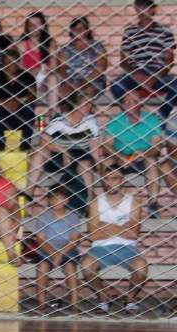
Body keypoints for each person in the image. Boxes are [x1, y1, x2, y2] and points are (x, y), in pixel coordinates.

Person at [81, 165, 147, 314]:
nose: (110, 182)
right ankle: (104, 299)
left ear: (122, 180)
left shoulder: (133, 203)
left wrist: (104, 226)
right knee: (86, 266)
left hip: (127, 249)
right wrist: (122, 228)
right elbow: (93, 235)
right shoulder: (96, 202)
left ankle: (129, 301)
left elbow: (133, 234)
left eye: (114, 178)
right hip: (100, 248)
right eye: (106, 179)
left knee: (141, 268)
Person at [102, 88, 164, 217]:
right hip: (121, 158)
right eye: (126, 101)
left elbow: (157, 147)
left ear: (140, 103)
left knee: (152, 161)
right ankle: (109, 202)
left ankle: (153, 204)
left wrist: (145, 154)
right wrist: (120, 156)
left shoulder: (152, 120)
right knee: (107, 161)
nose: (129, 103)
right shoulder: (115, 120)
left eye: (133, 100)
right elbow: (106, 146)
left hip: (143, 158)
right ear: (122, 104)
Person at [27, 92, 100, 198]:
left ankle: (91, 199)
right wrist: (64, 151)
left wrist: (98, 166)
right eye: (85, 104)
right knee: (40, 150)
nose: (89, 107)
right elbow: (43, 141)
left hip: (80, 155)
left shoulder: (91, 121)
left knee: (86, 165)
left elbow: (94, 145)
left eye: (90, 104)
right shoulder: (59, 120)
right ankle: (29, 191)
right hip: (58, 154)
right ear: (75, 105)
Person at [111, 0, 177, 119]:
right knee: (116, 85)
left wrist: (155, 76)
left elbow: (169, 61)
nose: (141, 10)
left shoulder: (165, 31)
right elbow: (123, 61)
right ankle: (130, 117)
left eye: (145, 7)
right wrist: (135, 74)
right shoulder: (130, 31)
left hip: (158, 74)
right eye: (138, 7)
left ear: (152, 10)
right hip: (135, 72)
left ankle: (160, 118)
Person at [33, 186, 82, 314]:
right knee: (42, 267)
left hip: (67, 247)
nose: (55, 201)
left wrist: (60, 253)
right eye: (52, 198)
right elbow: (40, 239)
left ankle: (74, 302)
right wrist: (53, 253)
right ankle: (41, 301)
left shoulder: (73, 216)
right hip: (48, 247)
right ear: (49, 200)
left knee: (71, 267)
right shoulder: (44, 216)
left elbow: (75, 240)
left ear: (66, 201)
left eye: (59, 198)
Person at [0, 50, 36, 152]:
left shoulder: (27, 76)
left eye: (12, 62)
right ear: (3, 63)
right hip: (2, 114)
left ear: (18, 63)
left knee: (32, 107)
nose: (9, 65)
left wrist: (19, 102)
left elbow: (33, 95)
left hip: (21, 113)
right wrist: (3, 103)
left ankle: (26, 144)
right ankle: (0, 144)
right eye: (7, 62)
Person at [55, 16, 108, 99]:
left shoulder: (97, 46)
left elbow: (100, 68)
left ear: (87, 31)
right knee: (62, 92)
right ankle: (64, 111)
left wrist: (82, 83)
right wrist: (70, 83)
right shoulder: (65, 49)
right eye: (74, 30)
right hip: (70, 82)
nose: (77, 32)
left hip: (93, 81)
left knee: (87, 91)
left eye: (80, 29)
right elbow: (61, 69)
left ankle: (85, 111)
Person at [16, 12, 57, 112]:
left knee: (52, 78)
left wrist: (43, 72)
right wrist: (32, 71)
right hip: (29, 78)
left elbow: (53, 66)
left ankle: (54, 111)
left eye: (37, 24)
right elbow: (19, 68)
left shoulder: (50, 43)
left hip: (45, 78)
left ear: (43, 26)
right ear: (27, 27)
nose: (34, 27)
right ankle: (41, 111)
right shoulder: (22, 44)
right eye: (31, 25)